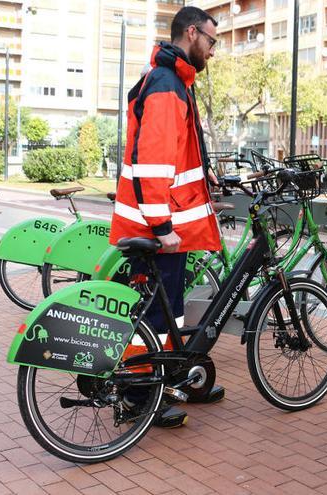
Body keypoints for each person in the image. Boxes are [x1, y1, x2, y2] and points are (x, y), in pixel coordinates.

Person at [109, 6, 222, 429]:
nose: (213, 51)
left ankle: (162, 384)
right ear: (191, 33)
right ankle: (139, 399)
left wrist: (207, 181)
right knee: (154, 319)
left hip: (170, 224)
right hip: (158, 228)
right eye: (211, 41)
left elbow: (179, 156)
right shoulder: (166, 84)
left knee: (167, 313)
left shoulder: (175, 81)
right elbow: (152, 162)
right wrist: (162, 227)